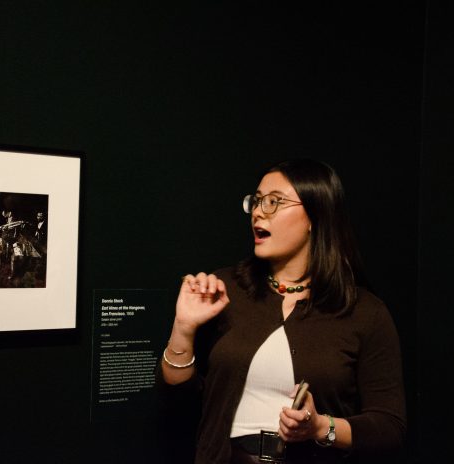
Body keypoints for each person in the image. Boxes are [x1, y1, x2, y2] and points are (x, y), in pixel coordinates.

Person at [157, 159, 406, 464]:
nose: (260, 211)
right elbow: (178, 405)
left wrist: (320, 427)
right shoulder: (222, 291)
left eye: (274, 202)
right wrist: (183, 329)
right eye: (257, 201)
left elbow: (389, 428)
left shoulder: (364, 312)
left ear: (316, 215)